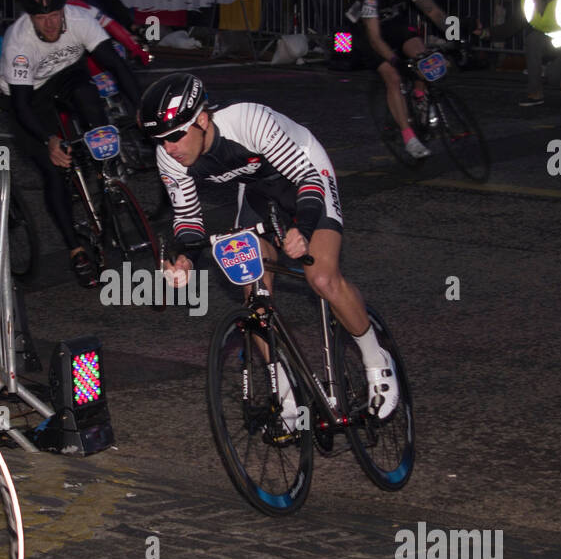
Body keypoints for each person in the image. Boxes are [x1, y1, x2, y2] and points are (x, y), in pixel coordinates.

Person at [140, 73, 399, 421]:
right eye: (159, 140)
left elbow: (306, 179)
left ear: (202, 120)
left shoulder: (249, 121)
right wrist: (185, 258)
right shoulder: (170, 156)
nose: (168, 147)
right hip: (258, 190)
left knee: (321, 277)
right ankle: (287, 392)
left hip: (305, 173)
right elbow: (188, 220)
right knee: (254, 289)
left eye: (174, 136)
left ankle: (375, 358)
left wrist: (302, 228)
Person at [0, 0, 142, 286]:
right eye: (41, 18)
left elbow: (117, 67)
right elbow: (21, 107)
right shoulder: (19, 42)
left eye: (55, 16)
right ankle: (75, 248)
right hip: (28, 96)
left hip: (66, 76)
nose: (50, 25)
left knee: (89, 98)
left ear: (65, 11)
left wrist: (141, 110)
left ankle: (106, 171)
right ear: (30, 17)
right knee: (54, 169)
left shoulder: (80, 19)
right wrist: (49, 140)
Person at [347, 0, 471, 159]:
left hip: (394, 24)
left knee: (423, 57)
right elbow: (375, 39)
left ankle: (420, 96)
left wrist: (456, 36)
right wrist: (395, 60)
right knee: (393, 76)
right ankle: (408, 137)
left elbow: (433, 11)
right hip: (366, 34)